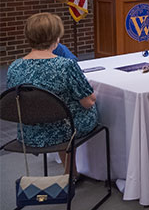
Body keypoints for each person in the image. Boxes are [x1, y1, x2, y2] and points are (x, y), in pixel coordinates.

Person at [7, 13, 98, 174]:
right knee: (88, 109)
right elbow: (88, 102)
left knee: (60, 112)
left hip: (29, 132)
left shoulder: (14, 67)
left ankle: (71, 172)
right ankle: (84, 171)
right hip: (64, 131)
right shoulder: (66, 65)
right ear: (56, 37)